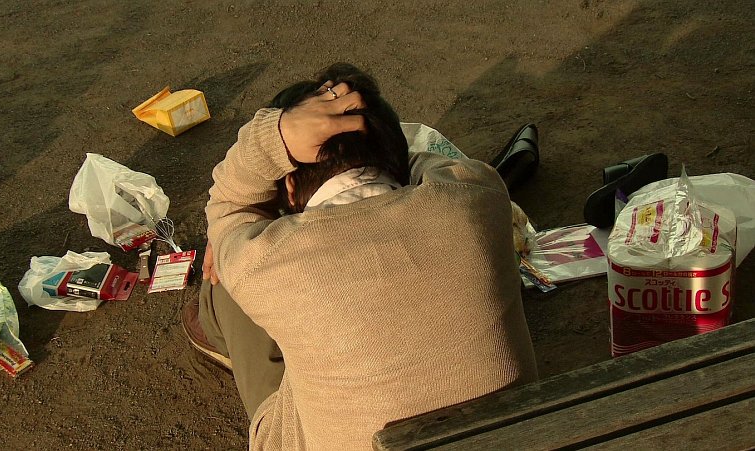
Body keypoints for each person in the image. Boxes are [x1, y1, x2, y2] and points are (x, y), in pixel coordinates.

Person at [182, 63, 539, 450]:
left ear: (289, 188)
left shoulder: (261, 260)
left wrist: (277, 137)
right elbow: (430, 165)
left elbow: (230, 204)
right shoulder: (476, 196)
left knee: (223, 284)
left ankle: (221, 336)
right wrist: (376, 144)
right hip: (508, 439)